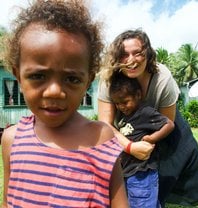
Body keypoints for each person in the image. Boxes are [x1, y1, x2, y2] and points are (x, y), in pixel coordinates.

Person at [1, 1, 129, 207]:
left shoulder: (101, 138)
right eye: (38, 75)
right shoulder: (12, 139)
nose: (55, 92)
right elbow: (7, 202)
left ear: (88, 81)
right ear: (18, 76)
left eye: (72, 79)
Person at [98, 28, 198, 206]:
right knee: (126, 172)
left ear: (148, 54)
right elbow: (104, 124)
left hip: (161, 125)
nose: (131, 60)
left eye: (137, 53)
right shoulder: (109, 79)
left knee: (175, 166)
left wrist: (150, 140)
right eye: (124, 54)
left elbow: (168, 123)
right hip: (126, 128)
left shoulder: (162, 77)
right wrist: (130, 146)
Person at [109, 71, 174, 207]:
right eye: (117, 104)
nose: (121, 107)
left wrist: (151, 138)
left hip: (142, 173)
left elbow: (169, 124)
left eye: (125, 102)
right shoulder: (124, 117)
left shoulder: (145, 112)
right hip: (129, 172)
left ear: (138, 95)